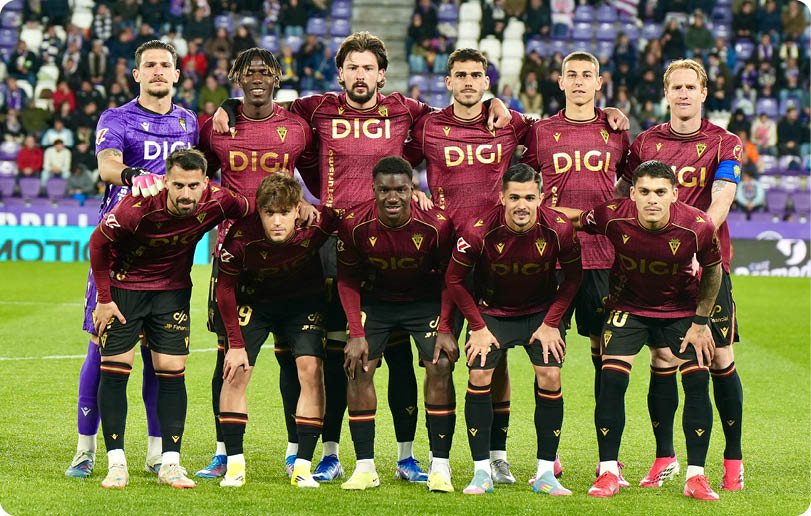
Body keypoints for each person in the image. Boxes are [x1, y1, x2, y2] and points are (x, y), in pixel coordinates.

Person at [213, 31, 515, 484]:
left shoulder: (405, 110)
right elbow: (263, 101)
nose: (360, 75)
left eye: (368, 67)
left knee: (401, 358)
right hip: (336, 246)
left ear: (382, 74)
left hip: (395, 239)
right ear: (340, 73)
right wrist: (228, 105)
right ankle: (330, 453)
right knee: (341, 355)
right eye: (352, 67)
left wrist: (494, 103)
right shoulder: (316, 108)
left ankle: (407, 456)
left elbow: (457, 110)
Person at [65, 40, 198, 480]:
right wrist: (133, 175)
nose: (158, 71)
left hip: (169, 251)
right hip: (119, 247)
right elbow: (107, 166)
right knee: (101, 344)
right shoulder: (116, 118)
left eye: (165, 65)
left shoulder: (188, 121)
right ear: (137, 74)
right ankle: (85, 449)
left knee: (161, 354)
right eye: (150, 65)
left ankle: (158, 453)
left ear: (176, 74)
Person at [405, 48, 533, 485]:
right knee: (438, 359)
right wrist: (412, 189)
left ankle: (497, 456)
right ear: (448, 81)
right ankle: (438, 459)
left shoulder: (509, 122)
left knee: (495, 360)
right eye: (460, 75)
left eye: (476, 75)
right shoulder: (428, 126)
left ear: (486, 82)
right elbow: (396, 162)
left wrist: (608, 112)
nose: (468, 82)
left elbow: (555, 130)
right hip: (441, 259)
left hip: (496, 259)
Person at [558, 160, 723, 500]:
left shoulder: (698, 226)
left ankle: (696, 476)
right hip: (627, 308)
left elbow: (713, 269)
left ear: (674, 194)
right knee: (611, 380)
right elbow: (574, 219)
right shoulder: (612, 215)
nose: (652, 199)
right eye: (644, 191)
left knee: (697, 382)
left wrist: (701, 322)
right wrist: (533, 209)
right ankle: (608, 471)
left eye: (660, 192)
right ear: (632, 193)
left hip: (681, 311)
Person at [615, 59, 744, 492]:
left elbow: (722, 198)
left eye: (691, 87)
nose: (684, 94)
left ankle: (732, 459)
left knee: (718, 357)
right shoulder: (645, 143)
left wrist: (695, 245)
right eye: (677, 87)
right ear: (666, 93)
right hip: (653, 269)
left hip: (704, 266)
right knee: (662, 359)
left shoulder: (725, 142)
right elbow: (624, 196)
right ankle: (664, 457)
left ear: (703, 93)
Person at [88, 148, 249, 489]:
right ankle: (116, 464)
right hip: (125, 288)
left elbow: (252, 210)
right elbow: (97, 243)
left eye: (193, 186)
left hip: (172, 291)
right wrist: (103, 299)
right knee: (115, 370)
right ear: (166, 181)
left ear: (205, 183)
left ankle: (170, 464)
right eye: (178, 185)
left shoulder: (219, 200)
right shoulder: (137, 206)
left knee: (173, 372)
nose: (186, 194)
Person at [195, 48, 318, 482]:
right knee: (228, 359)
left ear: (278, 78)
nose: (258, 78)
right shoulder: (217, 128)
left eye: (266, 72)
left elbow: (319, 178)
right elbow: (200, 175)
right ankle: (223, 453)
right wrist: (224, 108)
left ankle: (294, 451)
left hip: (288, 255)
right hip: (235, 253)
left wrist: (309, 205)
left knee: (292, 359)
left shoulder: (297, 128)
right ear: (237, 78)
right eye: (249, 73)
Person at [521, 50, 630, 483]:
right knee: (548, 361)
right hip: (553, 259)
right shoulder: (541, 132)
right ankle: (548, 458)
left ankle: (608, 460)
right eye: (572, 74)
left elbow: (636, 180)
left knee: (607, 361)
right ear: (561, 81)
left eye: (588, 75)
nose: (580, 81)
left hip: (605, 259)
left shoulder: (616, 131)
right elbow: (516, 180)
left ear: (599, 83)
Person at [445, 163, 582, 495]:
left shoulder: (559, 227)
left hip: (540, 313)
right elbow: (453, 279)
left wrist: (552, 322)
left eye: (530, 198)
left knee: (550, 375)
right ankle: (481, 472)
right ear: (502, 198)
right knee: (480, 374)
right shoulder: (477, 230)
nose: (522, 205)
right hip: (492, 311)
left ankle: (546, 474)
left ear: (541, 198)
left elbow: (574, 276)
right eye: (515, 197)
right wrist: (477, 327)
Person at [336, 156, 456, 491]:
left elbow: (451, 278)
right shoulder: (353, 224)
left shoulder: (437, 224)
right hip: (376, 302)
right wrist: (356, 333)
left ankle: (440, 466)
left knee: (440, 364)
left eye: (401, 190)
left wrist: (446, 328)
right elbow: (347, 279)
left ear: (412, 189)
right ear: (373, 189)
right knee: (358, 366)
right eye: (385, 190)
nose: (393, 197)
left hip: (424, 301)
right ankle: (365, 468)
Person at [214, 174, 337, 488]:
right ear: (260, 212)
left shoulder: (317, 224)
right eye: (270, 213)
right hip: (255, 302)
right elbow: (224, 290)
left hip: (302, 303)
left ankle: (303, 467)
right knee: (236, 371)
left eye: (284, 212)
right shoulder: (241, 236)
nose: (277, 221)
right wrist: (235, 344)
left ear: (297, 210)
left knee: (311, 370)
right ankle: (234, 466)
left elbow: (352, 215)